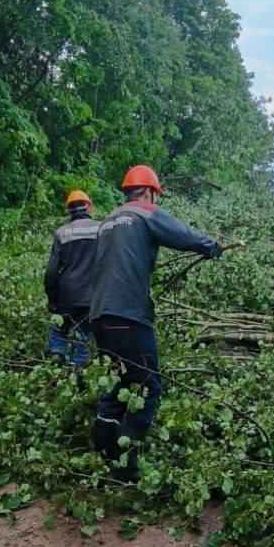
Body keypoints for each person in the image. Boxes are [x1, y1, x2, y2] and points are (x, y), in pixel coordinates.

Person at [90, 165, 221, 481]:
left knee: (119, 382)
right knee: (148, 386)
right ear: (149, 192)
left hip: (100, 316)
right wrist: (210, 246)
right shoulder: (144, 213)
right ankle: (125, 466)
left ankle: (104, 449)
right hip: (129, 316)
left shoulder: (106, 222)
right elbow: (182, 234)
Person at [44, 190, 99, 370]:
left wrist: (52, 299)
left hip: (66, 295)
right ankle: (77, 374)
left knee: (58, 329)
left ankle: (56, 358)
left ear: (68, 210)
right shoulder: (101, 229)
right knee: (82, 337)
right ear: (89, 207)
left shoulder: (61, 233)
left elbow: (52, 271)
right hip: (91, 296)